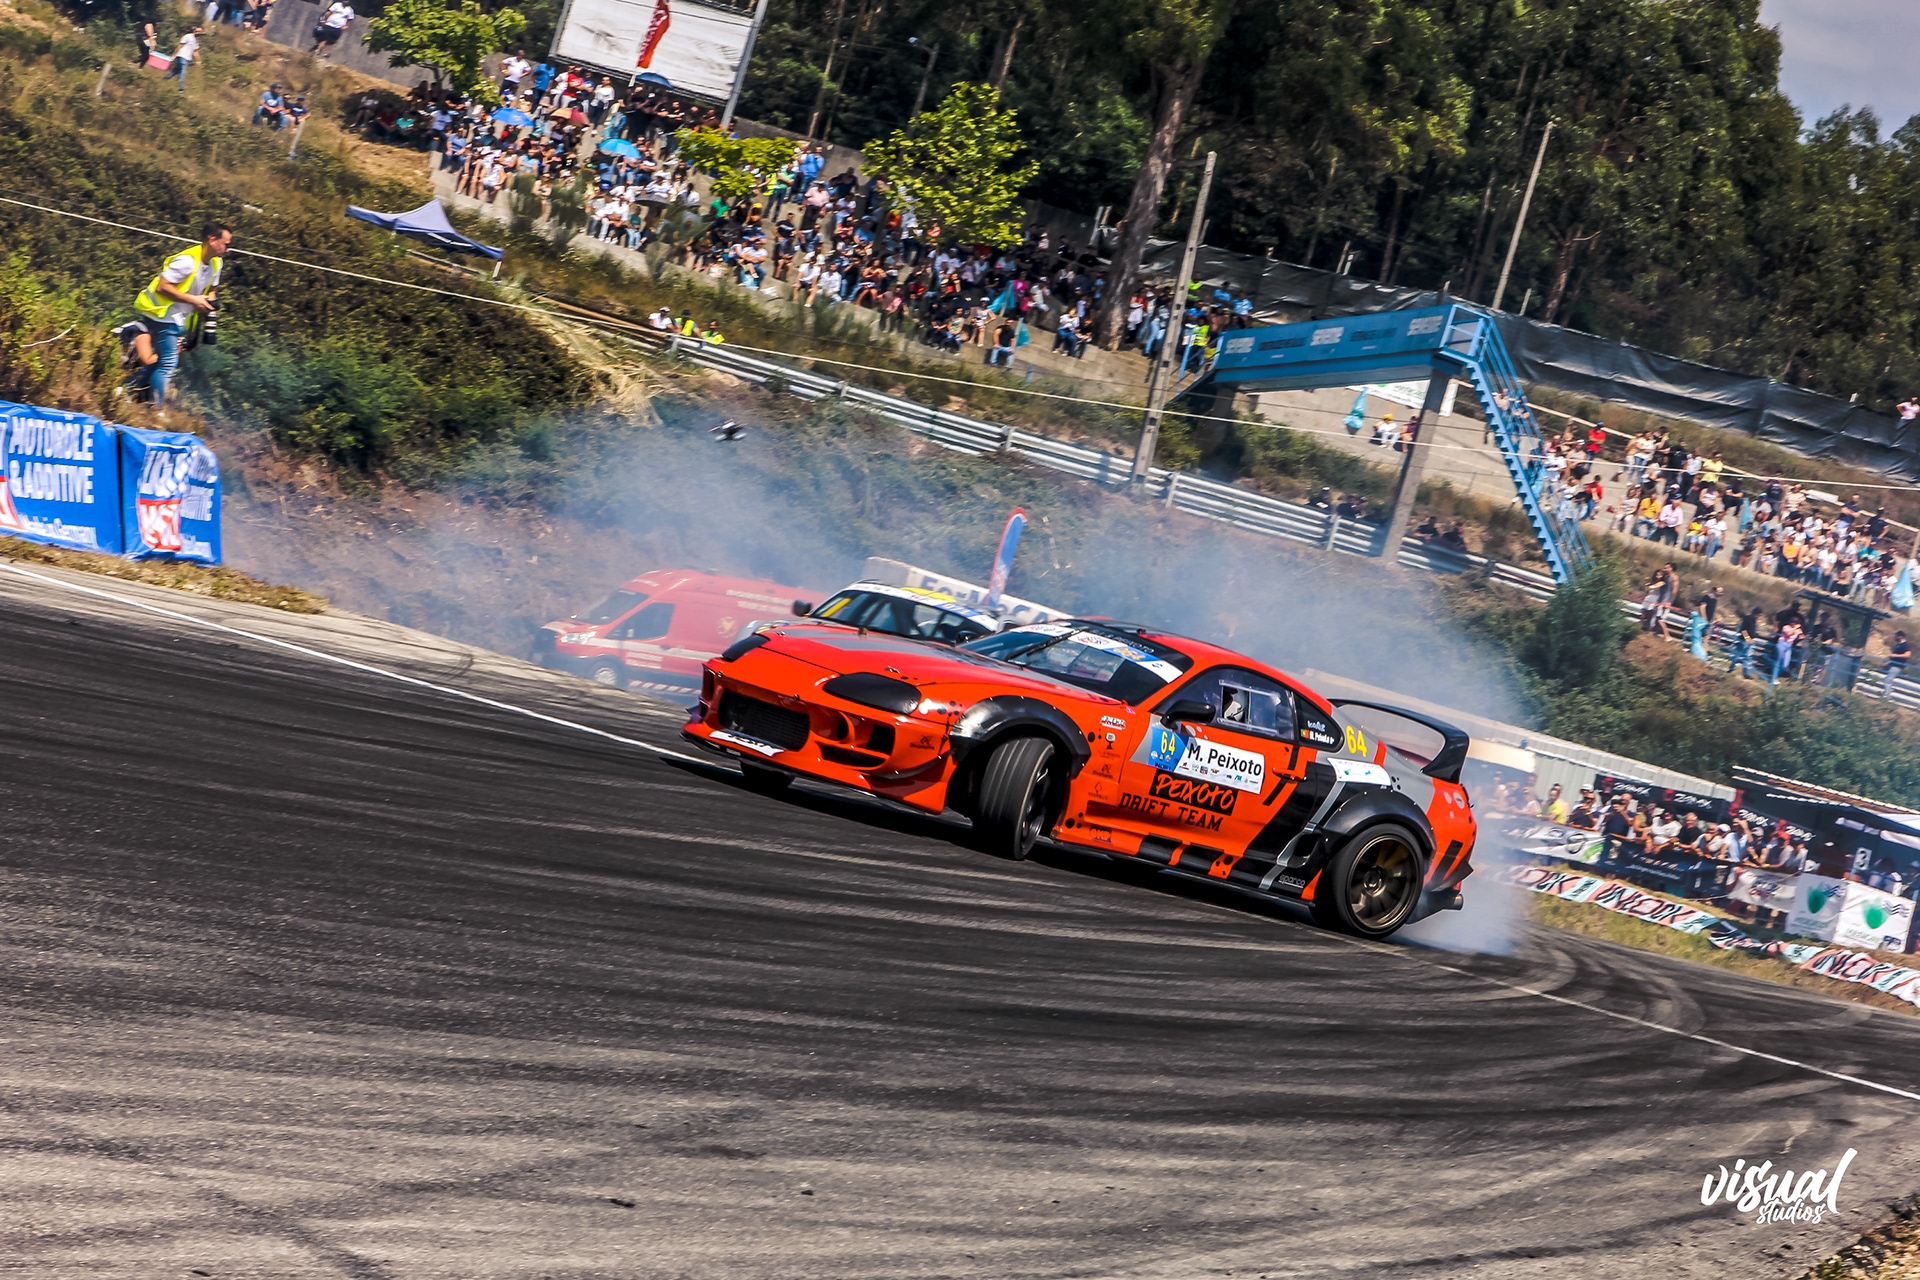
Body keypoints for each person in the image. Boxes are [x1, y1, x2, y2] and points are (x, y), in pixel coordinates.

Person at [131, 221, 230, 407]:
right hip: (162, 314)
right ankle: (156, 408)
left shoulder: (217, 263)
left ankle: (127, 390)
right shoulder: (187, 261)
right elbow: (162, 287)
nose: (228, 249)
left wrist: (209, 310)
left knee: (164, 360)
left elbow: (212, 290)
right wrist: (194, 300)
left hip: (179, 319)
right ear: (212, 240)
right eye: (226, 244)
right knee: (168, 363)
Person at [163, 27, 200, 92]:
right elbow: (180, 46)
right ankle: (181, 90)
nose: (199, 33)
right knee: (183, 72)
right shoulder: (188, 36)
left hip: (187, 58)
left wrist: (198, 60)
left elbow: (195, 52)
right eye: (198, 31)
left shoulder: (196, 41)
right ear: (194, 31)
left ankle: (164, 79)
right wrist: (174, 54)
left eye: (200, 32)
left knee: (175, 71)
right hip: (182, 56)